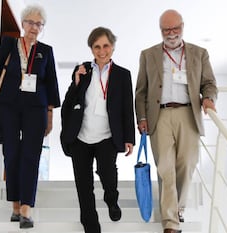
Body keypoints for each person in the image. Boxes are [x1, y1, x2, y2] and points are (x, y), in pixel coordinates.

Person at [0, 4, 60, 229]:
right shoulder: (9, 44)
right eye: (30, 22)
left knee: (31, 155)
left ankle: (27, 208)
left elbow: (51, 83)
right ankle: (15, 205)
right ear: (22, 23)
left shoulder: (45, 51)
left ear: (42, 27)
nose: (34, 27)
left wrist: (49, 114)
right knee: (11, 153)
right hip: (8, 106)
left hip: (36, 109)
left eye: (39, 24)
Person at [135, 9, 218, 233]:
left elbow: (209, 83)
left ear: (183, 26)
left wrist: (209, 99)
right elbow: (141, 91)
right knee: (166, 168)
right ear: (160, 30)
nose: (171, 34)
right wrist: (142, 117)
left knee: (187, 165)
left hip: (188, 113)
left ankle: (178, 207)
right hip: (159, 115)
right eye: (166, 30)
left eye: (175, 28)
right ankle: (170, 223)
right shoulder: (148, 54)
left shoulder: (199, 53)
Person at [60, 27, 135, 233]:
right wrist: (75, 83)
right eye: (97, 47)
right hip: (81, 137)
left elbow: (128, 108)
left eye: (106, 46)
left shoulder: (122, 75)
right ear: (91, 49)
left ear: (112, 47)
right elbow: (68, 105)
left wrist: (129, 137)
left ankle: (111, 200)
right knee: (84, 186)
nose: (102, 51)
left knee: (107, 174)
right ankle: (91, 226)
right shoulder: (83, 70)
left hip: (107, 137)